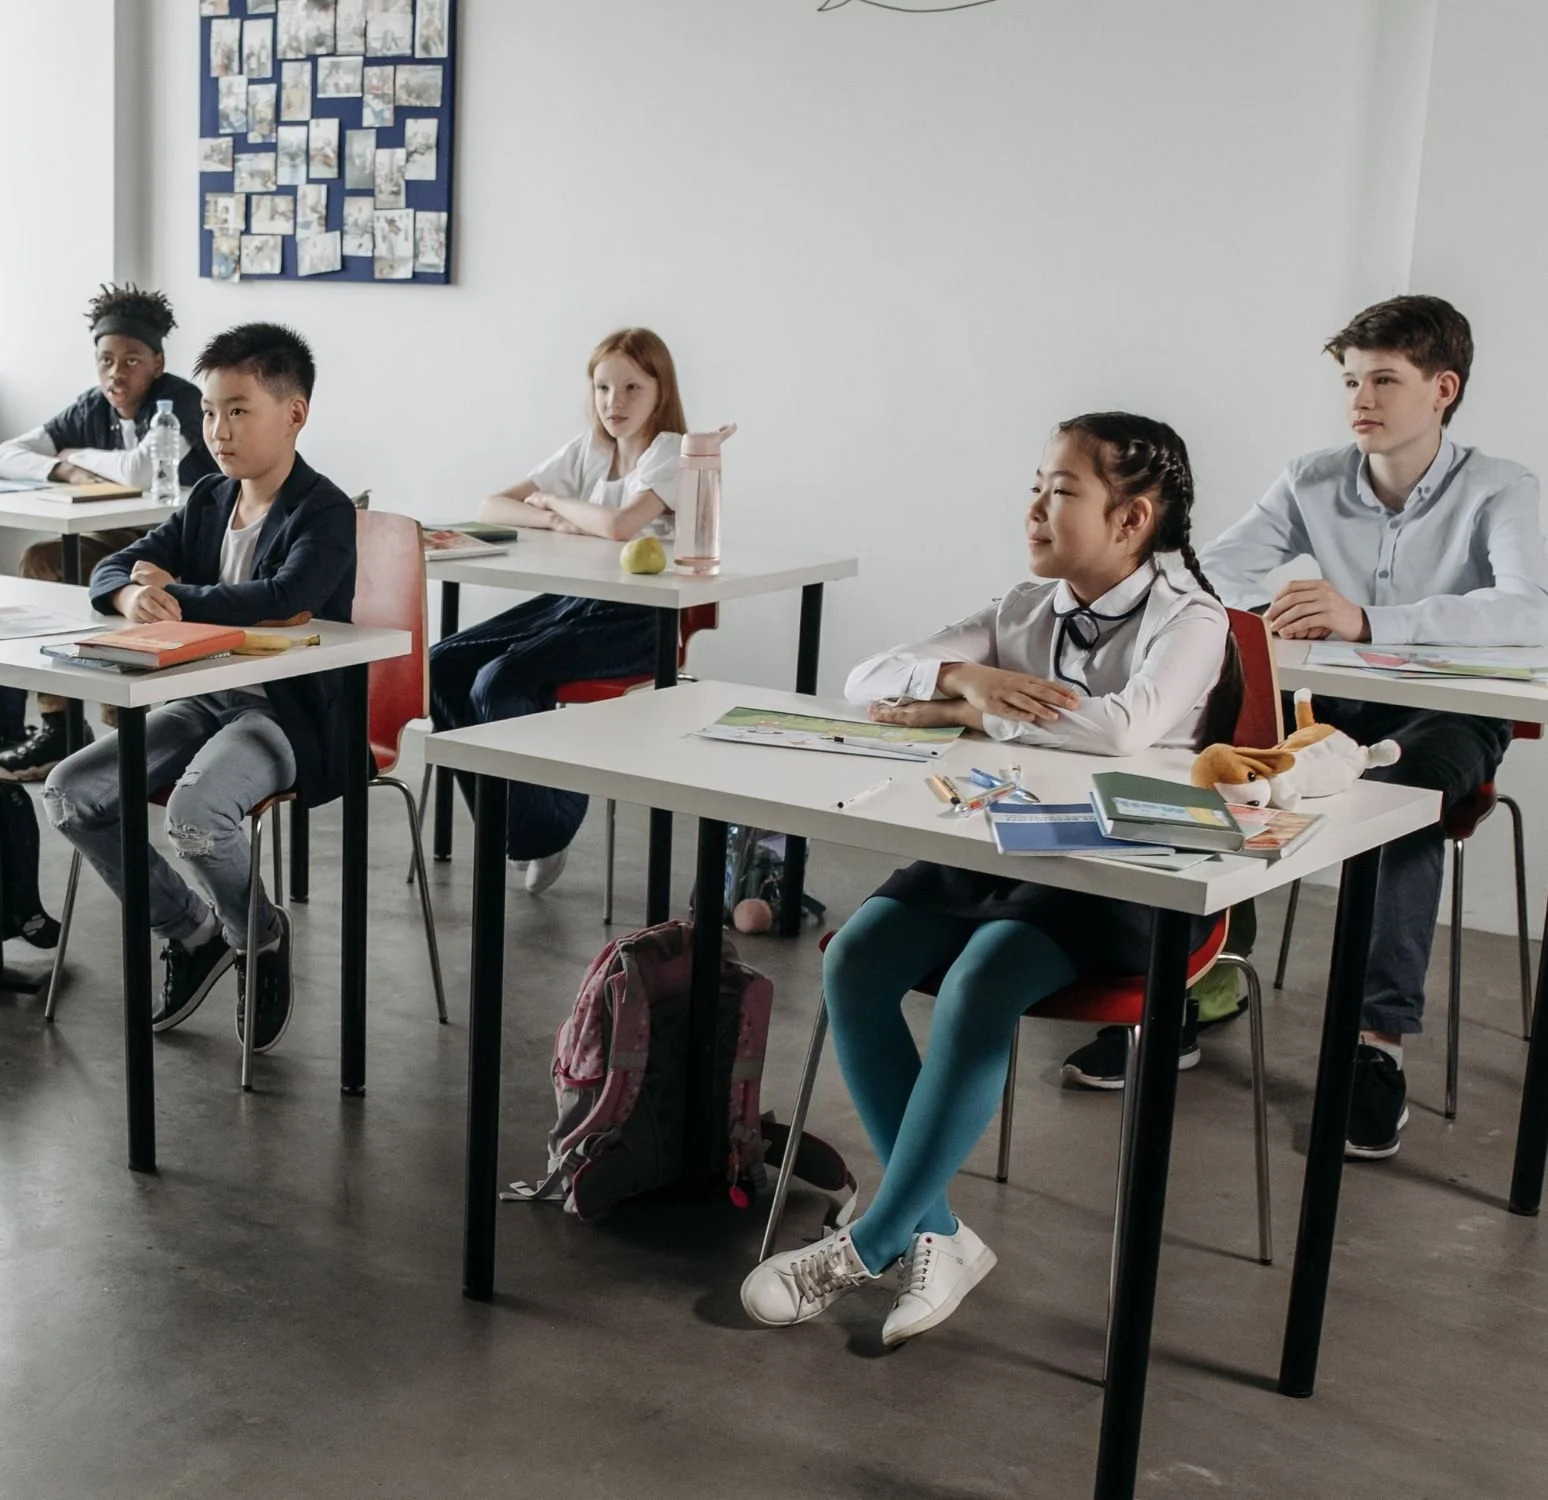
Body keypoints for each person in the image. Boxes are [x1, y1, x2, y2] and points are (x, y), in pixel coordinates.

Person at [740, 414, 1241, 1345]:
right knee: (854, 961)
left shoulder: (1193, 619)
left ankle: (868, 1243)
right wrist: (966, 676)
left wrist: (965, 710)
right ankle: (937, 1233)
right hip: (1003, 839)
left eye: (1061, 490)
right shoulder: (1021, 607)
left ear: (1131, 519)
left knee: (978, 984)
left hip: (1119, 868)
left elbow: (1120, 731)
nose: (1035, 508)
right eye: (1036, 485)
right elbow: (865, 676)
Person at [1070, 294, 1547, 1160]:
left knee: (1395, 811)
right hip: (1331, 708)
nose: (1360, 398)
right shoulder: (1312, 477)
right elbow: (1210, 578)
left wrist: (1367, 620)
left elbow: (1529, 612)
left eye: (1384, 380)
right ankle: (1180, 988)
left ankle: (1375, 1048)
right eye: (1351, 380)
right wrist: (1239, 609)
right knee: (1209, 756)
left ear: (1444, 389)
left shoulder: (1499, 488)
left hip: (1451, 715)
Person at [42, 323, 351, 1052]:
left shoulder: (325, 510)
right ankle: (191, 930)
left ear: (294, 414)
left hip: (286, 714)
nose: (218, 429)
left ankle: (259, 938)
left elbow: (285, 595)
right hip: (205, 701)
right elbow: (115, 569)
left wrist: (175, 590)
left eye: (238, 410)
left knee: (195, 814)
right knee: (68, 793)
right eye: (210, 411)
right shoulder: (210, 497)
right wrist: (129, 599)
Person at [426, 328, 692, 895]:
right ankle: (515, 825)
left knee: (500, 680)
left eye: (630, 389)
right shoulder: (590, 449)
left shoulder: (671, 452)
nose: (613, 403)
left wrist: (549, 501)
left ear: (659, 391)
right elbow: (491, 504)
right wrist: (556, 517)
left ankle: (545, 828)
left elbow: (620, 526)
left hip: (641, 619)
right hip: (575, 601)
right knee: (443, 662)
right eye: (602, 388)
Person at [0, 284, 220, 782]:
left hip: (179, 548)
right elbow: (4, 456)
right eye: (106, 360)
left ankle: (131, 729)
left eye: (132, 360)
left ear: (157, 363)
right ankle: (61, 726)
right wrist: (66, 472)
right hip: (119, 543)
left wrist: (78, 456)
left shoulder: (179, 402)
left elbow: (140, 471)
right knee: (43, 561)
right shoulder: (89, 407)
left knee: (139, 582)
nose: (117, 374)